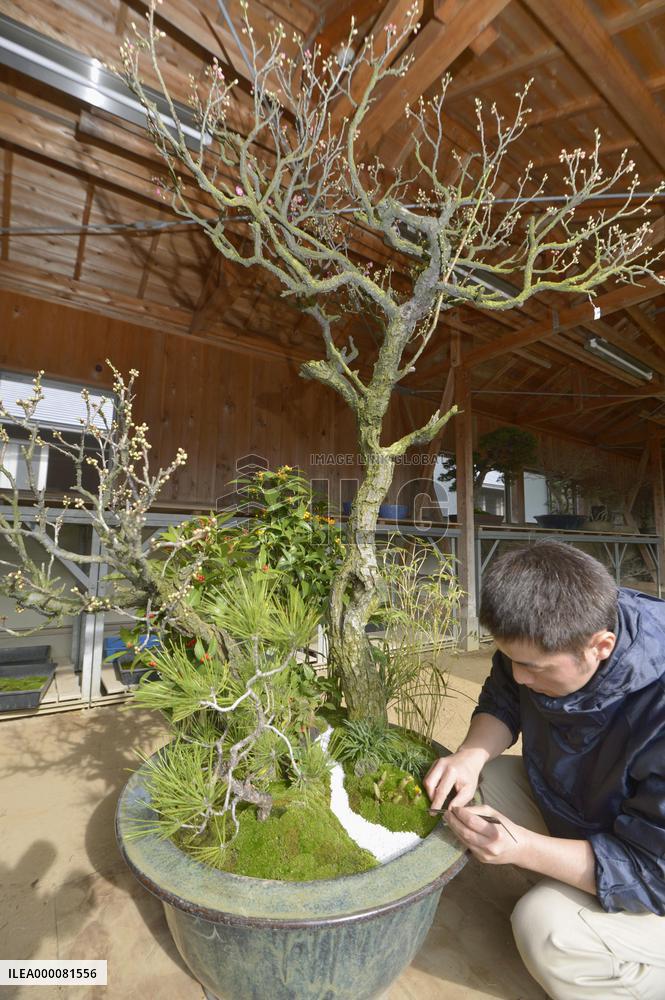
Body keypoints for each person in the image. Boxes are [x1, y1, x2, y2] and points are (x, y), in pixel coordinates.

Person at [424, 541, 665, 1000]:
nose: (519, 676)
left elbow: (653, 873)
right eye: (511, 659)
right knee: (474, 787)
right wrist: (470, 756)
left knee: (546, 928)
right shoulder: (552, 629)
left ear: (601, 646)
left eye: (532, 668)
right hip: (599, 814)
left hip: (655, 872)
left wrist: (525, 848)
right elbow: (504, 697)